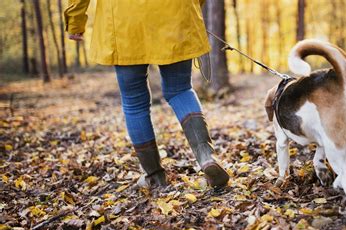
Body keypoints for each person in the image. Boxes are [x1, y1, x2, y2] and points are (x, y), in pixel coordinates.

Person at [64, 0, 229, 189]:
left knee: (134, 101)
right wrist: (188, 9)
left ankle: (154, 177)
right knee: (180, 89)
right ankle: (206, 157)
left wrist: (75, 20)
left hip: (124, 20)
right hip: (174, 13)